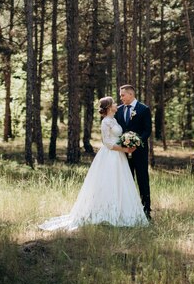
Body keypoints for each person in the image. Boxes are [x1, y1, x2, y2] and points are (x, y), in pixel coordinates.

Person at [38, 97, 148, 231]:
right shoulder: (106, 122)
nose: (116, 104)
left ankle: (121, 211)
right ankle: (105, 212)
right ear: (108, 107)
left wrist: (128, 141)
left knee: (120, 182)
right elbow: (107, 143)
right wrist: (125, 149)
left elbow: (119, 136)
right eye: (113, 103)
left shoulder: (114, 119)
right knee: (109, 182)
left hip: (119, 156)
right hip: (110, 156)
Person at [115, 84, 152, 220]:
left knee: (142, 179)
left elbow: (147, 130)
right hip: (123, 153)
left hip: (140, 152)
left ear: (131, 94)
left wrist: (137, 142)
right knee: (126, 180)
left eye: (122, 95)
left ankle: (146, 210)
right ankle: (127, 211)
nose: (121, 97)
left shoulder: (143, 109)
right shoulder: (118, 110)